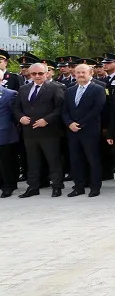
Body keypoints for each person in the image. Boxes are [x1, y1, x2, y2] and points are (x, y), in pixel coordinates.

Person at [15, 63, 65, 198]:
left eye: (40, 73)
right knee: (32, 161)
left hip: (49, 131)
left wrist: (46, 120)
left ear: (47, 73)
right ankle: (33, 187)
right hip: (29, 132)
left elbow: (60, 108)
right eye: (34, 74)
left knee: (53, 160)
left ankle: (57, 186)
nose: (37, 76)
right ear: (30, 74)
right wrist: (20, 117)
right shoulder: (24, 89)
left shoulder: (56, 88)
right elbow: (16, 108)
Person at [62, 62, 106, 197]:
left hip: (89, 130)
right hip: (73, 131)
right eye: (78, 72)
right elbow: (64, 109)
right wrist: (69, 123)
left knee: (93, 159)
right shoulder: (69, 90)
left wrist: (79, 124)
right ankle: (79, 186)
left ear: (90, 73)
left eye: (83, 72)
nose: (80, 75)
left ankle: (95, 187)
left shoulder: (98, 89)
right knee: (76, 160)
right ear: (74, 74)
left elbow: (97, 109)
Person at [0, 84, 19, 198]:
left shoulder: (9, 94)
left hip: (4, 133)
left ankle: (9, 185)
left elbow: (15, 115)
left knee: (6, 161)